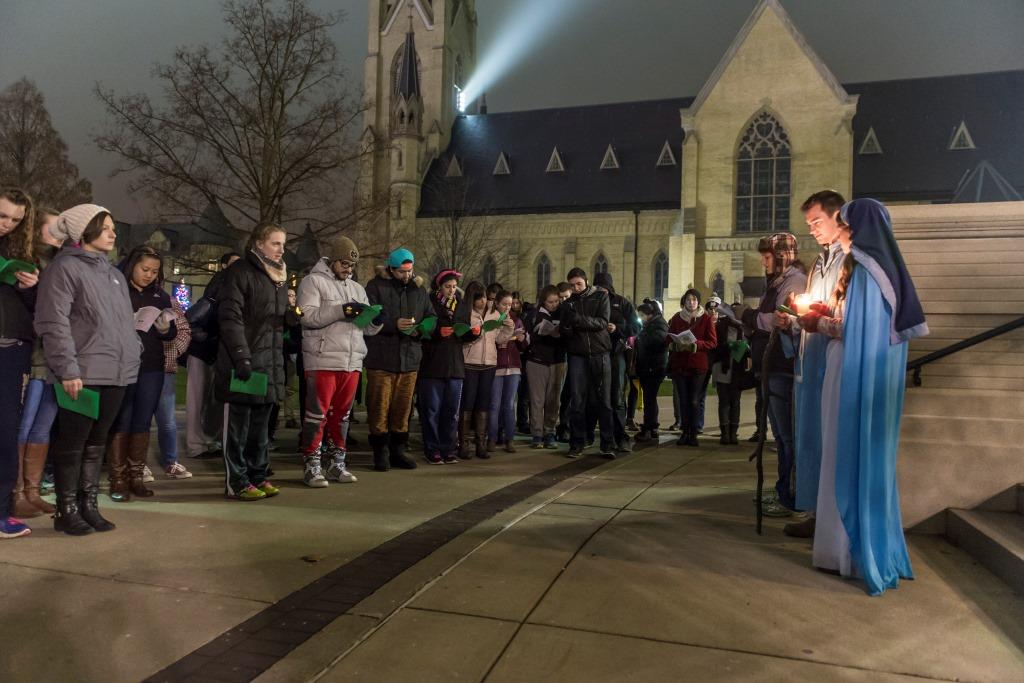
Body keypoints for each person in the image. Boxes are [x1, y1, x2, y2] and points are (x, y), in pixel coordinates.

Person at [799, 198, 926, 596]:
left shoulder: (869, 273)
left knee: (844, 454)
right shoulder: (882, 271)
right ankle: (848, 550)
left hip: (852, 373)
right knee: (856, 457)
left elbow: (853, 330)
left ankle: (846, 553)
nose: (845, 233)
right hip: (857, 372)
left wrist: (817, 321)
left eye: (849, 227)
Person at [36, 204, 141, 534]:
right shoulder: (64, 268)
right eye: (106, 227)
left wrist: (133, 352)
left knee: (98, 443)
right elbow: (54, 322)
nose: (113, 233)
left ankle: (88, 505)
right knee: (73, 443)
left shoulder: (114, 274)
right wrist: (68, 369)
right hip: (82, 372)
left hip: (117, 372)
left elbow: (125, 323)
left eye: (113, 228)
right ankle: (66, 510)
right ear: (85, 230)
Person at [781, 190, 847, 538]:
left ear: (839, 216)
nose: (813, 230)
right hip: (811, 355)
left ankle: (827, 512)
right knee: (808, 434)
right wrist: (794, 318)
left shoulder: (848, 260)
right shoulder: (821, 261)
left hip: (830, 359)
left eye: (817, 222)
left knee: (825, 437)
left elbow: (843, 314)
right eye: (809, 224)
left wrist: (815, 318)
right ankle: (811, 507)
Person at [216, 223, 294, 501]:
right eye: (275, 243)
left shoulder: (280, 277)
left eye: (283, 244)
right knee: (238, 428)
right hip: (244, 361)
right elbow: (230, 318)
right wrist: (241, 355)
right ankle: (236, 481)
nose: (281, 249)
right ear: (259, 244)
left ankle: (257, 476)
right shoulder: (240, 273)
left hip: (270, 362)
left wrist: (291, 315)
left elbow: (273, 319)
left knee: (260, 429)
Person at [296, 236, 382, 487]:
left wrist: (375, 320)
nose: (348, 269)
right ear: (333, 260)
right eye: (344, 263)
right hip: (323, 359)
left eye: (352, 266)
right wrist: (340, 310)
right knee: (317, 414)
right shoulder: (313, 282)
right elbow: (308, 317)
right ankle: (312, 464)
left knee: (342, 415)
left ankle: (336, 463)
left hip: (351, 360)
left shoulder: (357, 289)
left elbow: (365, 328)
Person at [105, 246, 183, 502]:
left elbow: (171, 333)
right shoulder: (116, 291)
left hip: (151, 365)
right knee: (122, 420)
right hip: (122, 365)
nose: (149, 275)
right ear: (132, 266)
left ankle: (136, 476)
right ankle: (118, 479)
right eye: (145, 269)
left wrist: (164, 329)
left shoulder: (159, 296)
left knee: (142, 421)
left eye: (155, 271)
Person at [742, 233, 807, 517]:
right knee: (781, 435)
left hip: (783, 367)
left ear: (781, 256)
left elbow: (779, 320)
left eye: (767, 256)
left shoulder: (793, 282)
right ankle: (785, 491)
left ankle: (790, 496)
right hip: (773, 368)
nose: (762, 260)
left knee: (787, 436)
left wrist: (748, 317)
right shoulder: (777, 283)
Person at [363, 248, 434, 471]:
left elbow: (431, 315)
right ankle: (380, 451)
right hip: (382, 358)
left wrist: (420, 330)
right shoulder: (376, 287)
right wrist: (394, 324)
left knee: (403, 407)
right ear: (391, 269)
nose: (407, 276)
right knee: (379, 406)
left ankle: (398, 450)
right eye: (402, 272)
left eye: (409, 271)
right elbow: (370, 317)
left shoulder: (419, 290)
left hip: (410, 359)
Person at [11, 206, 61, 521]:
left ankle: (32, 490)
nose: (58, 234)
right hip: (33, 356)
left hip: (55, 358)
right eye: (52, 228)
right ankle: (15, 492)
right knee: (23, 425)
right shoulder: (27, 264)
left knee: (42, 426)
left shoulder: (61, 264)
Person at [0, 188, 40, 539]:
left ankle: (0, 513)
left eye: (16, 220)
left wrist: (30, 288)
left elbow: (36, 313)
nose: (8, 225)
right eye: (2, 216)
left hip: (11, 352)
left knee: (5, 433)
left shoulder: (22, 255)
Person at [184, 251, 240, 459]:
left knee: (214, 401)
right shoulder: (217, 289)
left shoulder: (228, 287)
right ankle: (196, 445)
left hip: (217, 352)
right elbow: (192, 319)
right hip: (203, 351)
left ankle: (208, 440)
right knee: (197, 399)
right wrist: (205, 337)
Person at [418, 269, 477, 464]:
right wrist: (437, 332)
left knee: (452, 411)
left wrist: (473, 334)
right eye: (447, 287)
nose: (451, 290)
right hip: (433, 364)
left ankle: (448, 448)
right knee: (432, 410)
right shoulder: (429, 302)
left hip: (455, 365)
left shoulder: (461, 305)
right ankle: (432, 449)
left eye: (453, 287)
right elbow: (421, 330)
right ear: (439, 287)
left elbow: (463, 332)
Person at [560, 268, 614, 458]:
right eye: (572, 285)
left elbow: (602, 322)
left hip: (600, 354)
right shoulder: (568, 303)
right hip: (577, 355)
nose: (576, 288)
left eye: (579, 284)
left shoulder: (600, 297)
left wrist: (577, 321)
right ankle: (577, 442)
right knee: (577, 401)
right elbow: (565, 331)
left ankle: (607, 444)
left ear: (586, 281)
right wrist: (567, 326)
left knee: (604, 401)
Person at [461, 281, 513, 459]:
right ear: (471, 299)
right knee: (468, 403)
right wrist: (471, 334)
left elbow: (499, 339)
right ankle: (464, 444)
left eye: (483, 297)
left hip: (489, 363)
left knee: (483, 404)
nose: (482, 301)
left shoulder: (494, 313)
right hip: (469, 362)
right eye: (478, 298)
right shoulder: (466, 313)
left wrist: (506, 319)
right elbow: (460, 336)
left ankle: (481, 445)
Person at [593, 272, 639, 454]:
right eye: (598, 288)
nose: (601, 292)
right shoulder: (591, 302)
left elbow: (636, 327)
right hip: (597, 354)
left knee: (617, 397)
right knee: (601, 399)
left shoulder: (622, 302)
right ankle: (606, 438)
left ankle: (621, 437)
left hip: (615, 355)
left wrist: (617, 328)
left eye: (604, 289)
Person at [667, 289, 717, 447]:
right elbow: (668, 337)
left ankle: (693, 433)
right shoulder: (676, 318)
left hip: (697, 365)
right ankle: (685, 432)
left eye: (694, 299)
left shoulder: (706, 319)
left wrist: (696, 345)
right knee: (683, 400)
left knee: (694, 400)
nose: (691, 302)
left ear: (698, 302)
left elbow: (712, 342)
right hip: (680, 365)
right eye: (688, 299)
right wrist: (675, 343)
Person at [524, 285, 566, 449]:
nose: (554, 305)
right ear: (543, 301)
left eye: (556, 301)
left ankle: (549, 432)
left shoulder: (563, 313)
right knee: (537, 400)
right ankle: (537, 434)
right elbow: (527, 336)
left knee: (553, 401)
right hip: (537, 360)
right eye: (550, 302)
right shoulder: (534, 314)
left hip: (558, 360)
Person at [488, 290, 528, 452]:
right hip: (497, 367)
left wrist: (522, 339)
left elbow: (524, 346)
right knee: (494, 405)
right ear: (497, 303)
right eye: (504, 304)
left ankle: (509, 439)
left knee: (509, 405)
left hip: (514, 368)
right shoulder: (492, 320)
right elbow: (492, 341)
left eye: (510, 304)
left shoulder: (516, 320)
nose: (507, 307)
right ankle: (492, 438)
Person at [708, 296, 747, 445]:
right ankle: (725, 433)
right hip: (722, 367)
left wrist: (745, 347)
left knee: (735, 402)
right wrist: (728, 346)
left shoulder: (744, 326)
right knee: (724, 401)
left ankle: (733, 433)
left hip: (737, 369)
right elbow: (714, 345)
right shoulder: (721, 325)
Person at [634, 299, 668, 442]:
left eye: (641, 315)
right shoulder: (652, 325)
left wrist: (640, 336)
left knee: (649, 399)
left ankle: (649, 427)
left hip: (653, 367)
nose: (640, 318)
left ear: (649, 314)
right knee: (650, 399)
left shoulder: (658, 325)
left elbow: (657, 341)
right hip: (649, 366)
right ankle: (652, 427)